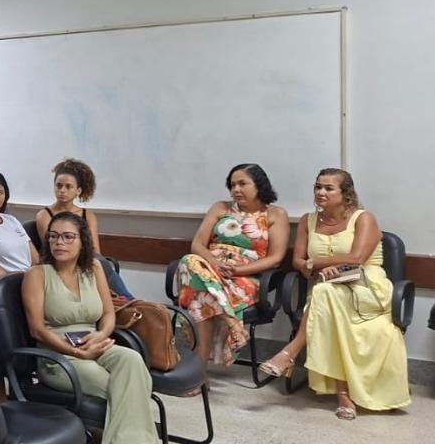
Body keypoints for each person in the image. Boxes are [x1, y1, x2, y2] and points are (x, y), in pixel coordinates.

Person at [23, 211, 187, 444]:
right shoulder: (37, 274)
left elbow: (109, 314)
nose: (60, 242)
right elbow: (37, 330)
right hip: (58, 356)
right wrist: (79, 353)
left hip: (95, 341)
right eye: (54, 236)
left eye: (68, 236)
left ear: (82, 241)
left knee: (132, 361)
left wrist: (100, 335)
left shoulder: (94, 268)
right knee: (129, 392)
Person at [258, 169, 409, 419]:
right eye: (318, 187)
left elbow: (357, 258)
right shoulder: (308, 220)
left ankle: (290, 353)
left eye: (329, 188)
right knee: (326, 295)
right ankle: (343, 394)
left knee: (323, 292)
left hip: (367, 286)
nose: (320, 192)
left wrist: (315, 263)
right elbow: (297, 261)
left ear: (345, 193)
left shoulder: (364, 218)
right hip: (328, 289)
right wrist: (317, 266)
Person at [175, 163, 289, 364]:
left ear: (259, 185)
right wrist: (214, 264)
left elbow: (275, 258)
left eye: (242, 184)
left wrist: (237, 270)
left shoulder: (275, 214)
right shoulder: (220, 208)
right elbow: (197, 244)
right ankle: (233, 323)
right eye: (232, 185)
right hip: (209, 269)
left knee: (201, 296)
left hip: (245, 279)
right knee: (189, 260)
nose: (236, 189)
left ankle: (199, 372)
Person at [34, 158, 134, 298]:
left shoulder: (88, 215)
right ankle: (129, 301)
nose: (62, 190)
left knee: (100, 263)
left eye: (68, 187)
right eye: (59, 186)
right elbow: (52, 248)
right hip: (61, 262)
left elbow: (95, 250)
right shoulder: (44, 215)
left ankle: (127, 302)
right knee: (101, 265)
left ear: (78, 191)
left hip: (88, 262)